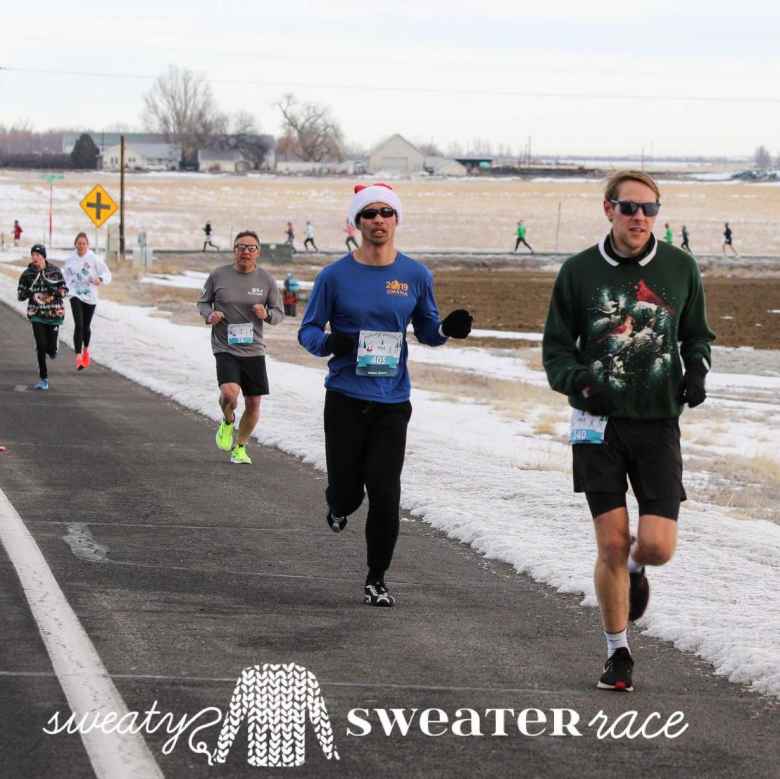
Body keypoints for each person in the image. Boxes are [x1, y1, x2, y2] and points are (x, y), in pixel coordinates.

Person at [542, 170, 715, 692]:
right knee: (611, 543)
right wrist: (581, 383)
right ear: (608, 209)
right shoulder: (578, 271)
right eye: (628, 207)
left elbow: (695, 334)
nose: (639, 217)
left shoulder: (681, 267)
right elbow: (555, 350)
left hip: (659, 422)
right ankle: (618, 652)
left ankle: (640, 568)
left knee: (657, 546)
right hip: (598, 425)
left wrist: (699, 369)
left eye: (649, 209)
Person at [298, 183, 473, 607]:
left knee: (385, 491)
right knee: (347, 491)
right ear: (357, 223)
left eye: (386, 213)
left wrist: (448, 330)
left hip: (392, 401)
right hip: (344, 397)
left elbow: (428, 330)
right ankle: (338, 505)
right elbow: (307, 330)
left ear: (396, 220)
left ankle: (377, 578)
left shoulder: (415, 275)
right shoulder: (334, 276)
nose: (378, 220)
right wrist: (330, 344)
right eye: (370, 213)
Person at [197, 231, 284, 465]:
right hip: (225, 346)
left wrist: (266, 314)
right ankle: (227, 421)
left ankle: (241, 447)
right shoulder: (218, 276)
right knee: (229, 393)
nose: (246, 251)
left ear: (258, 252)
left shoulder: (266, 280)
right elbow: (203, 302)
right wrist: (210, 315)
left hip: (254, 349)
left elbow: (279, 314)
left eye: (251, 248)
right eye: (241, 247)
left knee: (254, 402)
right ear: (234, 250)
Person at [16, 244, 68, 391]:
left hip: (53, 314)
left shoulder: (55, 271)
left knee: (50, 350)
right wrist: (28, 291)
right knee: (41, 346)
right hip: (37, 314)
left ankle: (53, 348)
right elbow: (20, 296)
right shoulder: (27, 274)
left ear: (44, 257)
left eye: (38, 255)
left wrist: (54, 290)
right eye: (33, 255)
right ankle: (43, 379)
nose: (35, 258)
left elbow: (64, 290)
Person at [63, 232, 112, 370]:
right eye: (79, 243)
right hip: (75, 294)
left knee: (86, 326)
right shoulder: (70, 259)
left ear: (87, 245)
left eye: (84, 243)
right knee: (78, 324)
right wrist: (64, 288)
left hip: (90, 295)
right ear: (75, 244)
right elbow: (65, 276)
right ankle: (78, 357)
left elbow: (107, 273)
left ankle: (86, 350)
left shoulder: (94, 258)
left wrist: (100, 279)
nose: (81, 246)